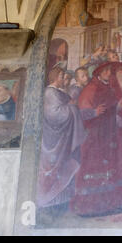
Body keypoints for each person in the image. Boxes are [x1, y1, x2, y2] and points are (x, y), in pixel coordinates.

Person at [71, 62, 122, 215]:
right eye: (105, 70)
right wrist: (93, 113)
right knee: (93, 167)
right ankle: (88, 207)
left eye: (109, 70)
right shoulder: (92, 88)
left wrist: (118, 106)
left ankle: (108, 204)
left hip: (107, 134)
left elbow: (108, 108)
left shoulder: (107, 87)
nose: (108, 72)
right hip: (95, 136)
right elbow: (82, 112)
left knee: (109, 168)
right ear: (98, 73)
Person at [36, 67, 87, 212]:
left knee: (66, 166)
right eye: (60, 76)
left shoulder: (58, 92)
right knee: (54, 168)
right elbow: (54, 115)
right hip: (54, 140)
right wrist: (71, 108)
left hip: (64, 137)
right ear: (53, 77)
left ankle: (62, 200)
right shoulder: (50, 92)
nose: (62, 78)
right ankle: (48, 200)